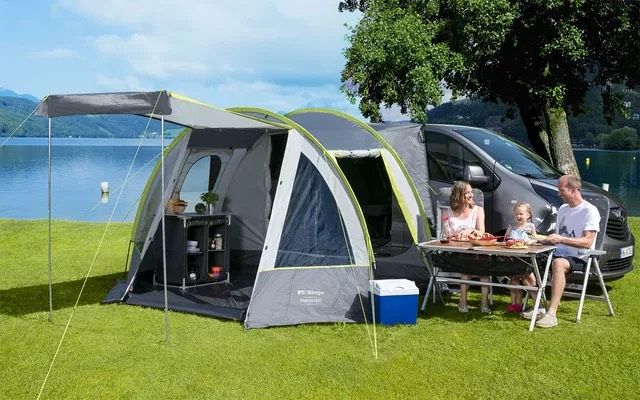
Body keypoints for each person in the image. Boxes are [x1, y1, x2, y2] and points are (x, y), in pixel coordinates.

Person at [523, 175, 600, 328]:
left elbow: (587, 242)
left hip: (580, 256)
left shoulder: (589, 211)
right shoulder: (563, 209)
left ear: (574, 190)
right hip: (558, 251)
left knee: (558, 263)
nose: (559, 194)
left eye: (562, 190)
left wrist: (561, 240)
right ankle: (539, 305)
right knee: (527, 258)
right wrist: (536, 240)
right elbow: (557, 238)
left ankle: (552, 314)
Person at [445, 180, 491, 313]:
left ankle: (484, 302)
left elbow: (481, 232)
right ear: (459, 195)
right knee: (467, 267)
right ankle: (463, 301)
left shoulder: (478, 210)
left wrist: (470, 231)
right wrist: (455, 235)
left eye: (471, 192)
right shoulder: (448, 212)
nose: (471, 195)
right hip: (456, 251)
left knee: (481, 267)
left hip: (474, 249)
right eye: (467, 193)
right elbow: (446, 234)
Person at [504, 202, 537, 313]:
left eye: (521, 214)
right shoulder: (511, 227)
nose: (518, 216)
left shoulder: (530, 227)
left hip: (526, 257)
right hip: (513, 257)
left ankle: (537, 304)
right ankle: (515, 303)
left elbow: (535, 240)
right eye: (517, 214)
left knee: (528, 279)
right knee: (513, 280)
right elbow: (506, 240)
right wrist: (508, 241)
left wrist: (530, 241)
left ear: (528, 215)